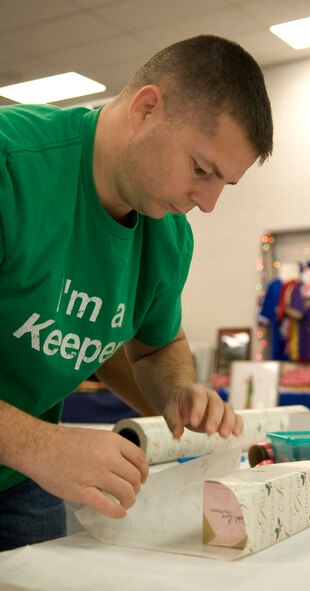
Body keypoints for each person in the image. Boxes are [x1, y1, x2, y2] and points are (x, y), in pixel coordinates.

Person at [0, 34, 273, 551]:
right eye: (201, 169)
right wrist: (42, 445)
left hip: (20, 482)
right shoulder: (12, 166)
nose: (208, 203)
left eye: (224, 185)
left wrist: (178, 393)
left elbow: (156, 343)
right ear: (147, 109)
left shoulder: (167, 234)